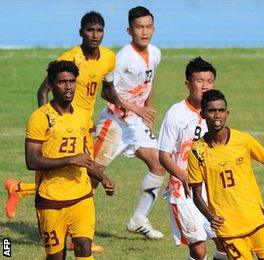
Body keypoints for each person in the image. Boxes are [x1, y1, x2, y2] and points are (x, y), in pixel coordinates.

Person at [4, 10, 136, 253]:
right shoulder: (70, 59)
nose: (95, 35)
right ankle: (25, 193)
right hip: (62, 125)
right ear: (81, 32)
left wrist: (129, 106)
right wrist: (49, 123)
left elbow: (107, 90)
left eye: (99, 31)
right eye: (90, 30)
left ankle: (78, 233)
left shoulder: (108, 57)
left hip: (84, 125)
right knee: (66, 175)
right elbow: (42, 90)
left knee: (82, 176)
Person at [25, 60, 115, 259]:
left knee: (84, 248)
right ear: (51, 84)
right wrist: (69, 159)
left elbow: (84, 159)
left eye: (72, 81)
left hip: (81, 197)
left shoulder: (83, 116)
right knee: (57, 257)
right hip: (51, 201)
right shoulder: (40, 118)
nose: (68, 87)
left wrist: (102, 177)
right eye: (62, 82)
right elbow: (31, 161)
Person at [188, 89, 264, 260]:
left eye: (221, 110)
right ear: (203, 114)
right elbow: (196, 195)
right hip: (229, 228)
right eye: (212, 111)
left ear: (227, 113)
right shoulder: (197, 152)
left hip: (256, 221)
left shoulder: (243, 140)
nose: (217, 115)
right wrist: (210, 216)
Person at [91, 6, 166, 239]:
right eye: (139, 27)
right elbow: (106, 93)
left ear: (154, 29)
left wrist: (147, 113)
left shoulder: (155, 53)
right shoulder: (122, 58)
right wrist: (135, 108)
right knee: (91, 176)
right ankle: (77, 232)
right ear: (129, 30)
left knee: (159, 165)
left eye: (148, 27)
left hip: (136, 122)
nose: (144, 32)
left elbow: (149, 84)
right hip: (114, 123)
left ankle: (138, 219)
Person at [158, 57, 227, 260]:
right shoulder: (176, 114)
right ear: (188, 84)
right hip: (183, 192)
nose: (205, 87)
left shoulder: (215, 112)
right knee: (198, 249)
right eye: (199, 81)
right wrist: (183, 175)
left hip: (212, 189)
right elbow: (163, 154)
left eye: (209, 81)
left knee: (225, 242)